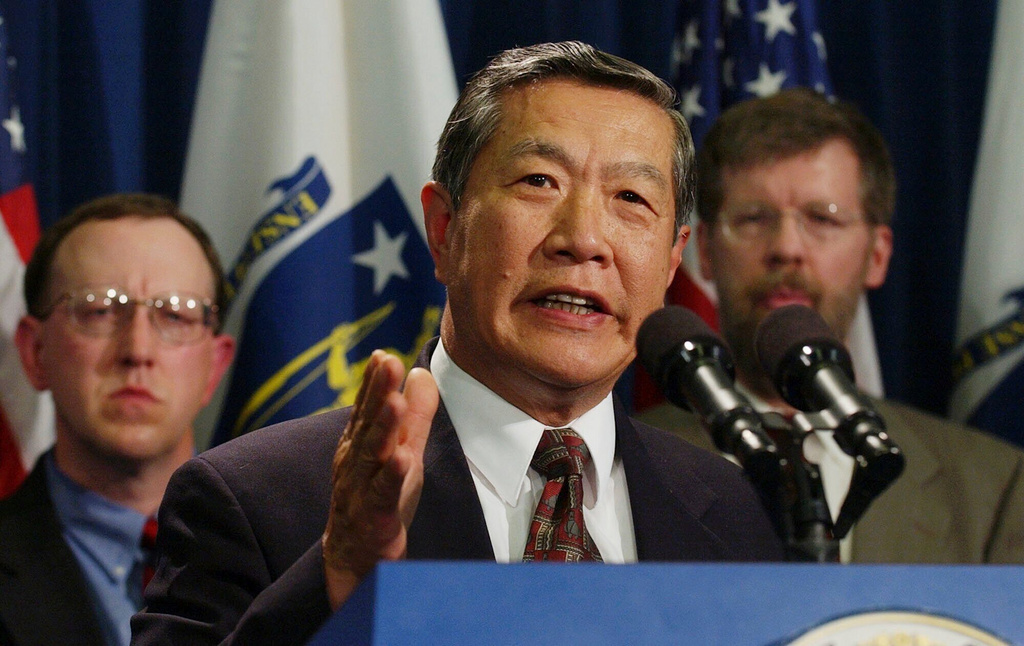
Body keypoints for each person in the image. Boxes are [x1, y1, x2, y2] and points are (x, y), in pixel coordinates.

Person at [131, 41, 785, 646]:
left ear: (673, 262)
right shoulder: (257, 499)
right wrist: (341, 577)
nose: (583, 238)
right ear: (443, 228)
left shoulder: (729, 513)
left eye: (631, 197)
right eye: (539, 182)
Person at [639, 88, 1024, 563]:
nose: (786, 247)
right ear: (708, 253)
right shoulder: (626, 463)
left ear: (877, 255)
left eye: (823, 218)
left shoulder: (994, 487)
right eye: (754, 218)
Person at [0, 194, 236, 646]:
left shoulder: (297, 565)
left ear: (215, 366)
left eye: (175, 314)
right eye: (99, 311)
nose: (137, 350)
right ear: (35, 353)